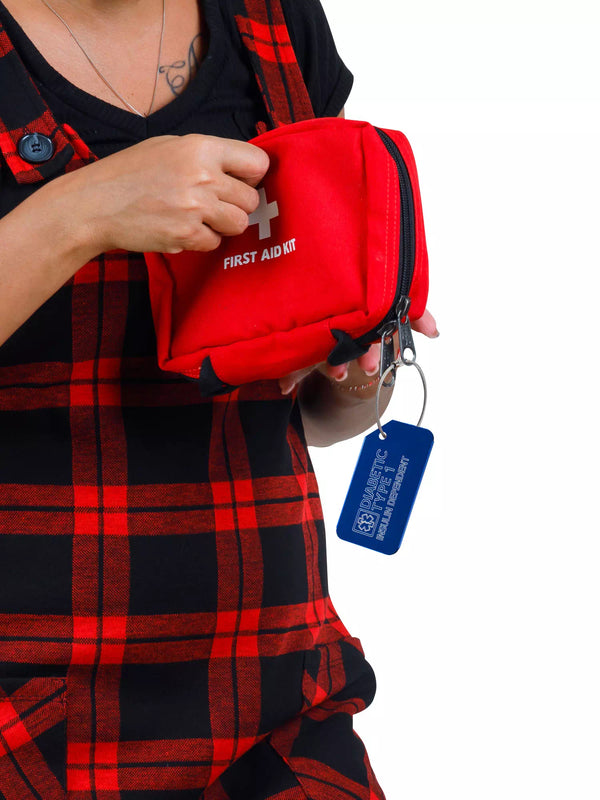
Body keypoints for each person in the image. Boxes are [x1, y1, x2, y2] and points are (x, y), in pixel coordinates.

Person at [0, 1, 437, 798]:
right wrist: (81, 212)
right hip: (24, 727)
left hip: (276, 703)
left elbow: (310, 414)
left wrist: (361, 357)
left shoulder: (276, 28)